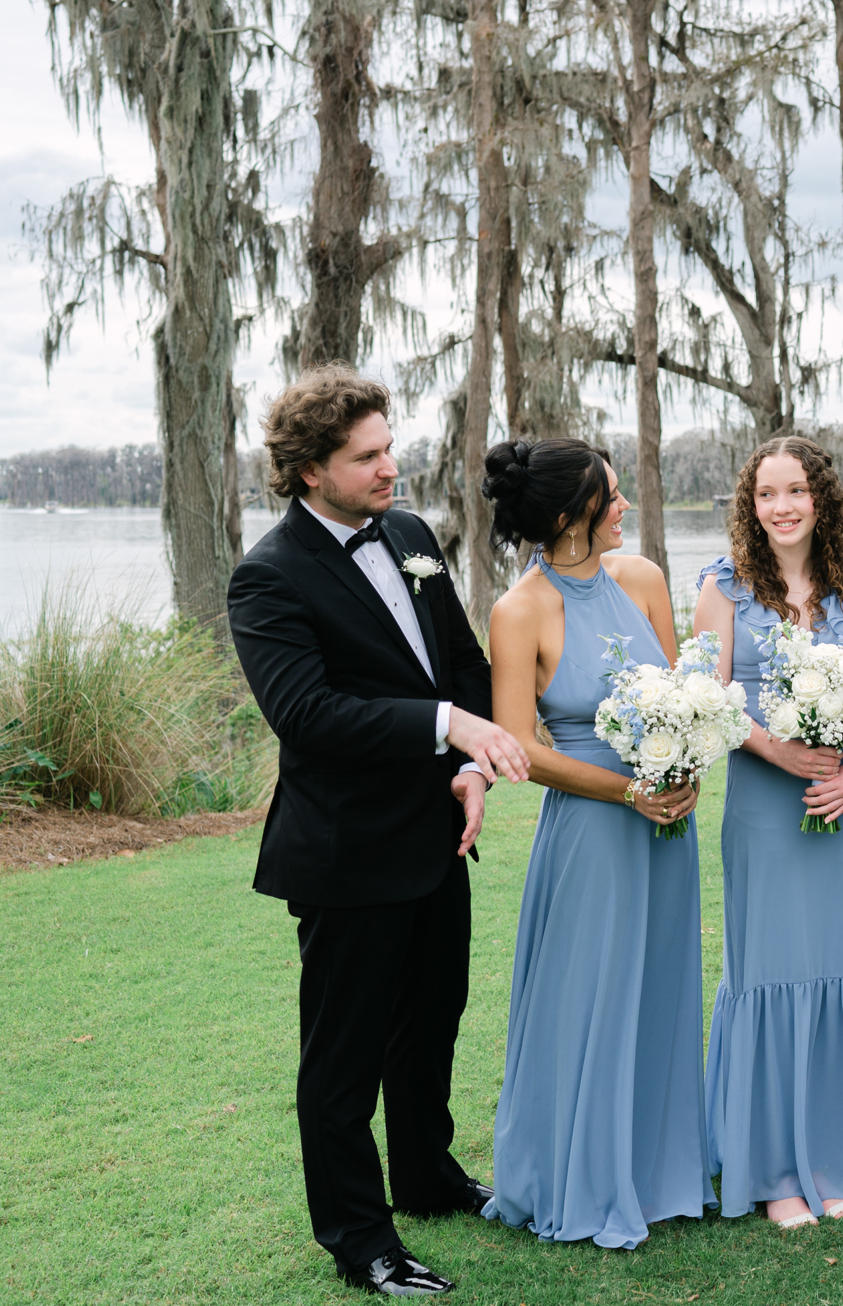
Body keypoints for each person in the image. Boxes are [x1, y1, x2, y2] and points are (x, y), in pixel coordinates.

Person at [229, 365, 529, 1298]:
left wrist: (471, 766)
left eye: (390, 445)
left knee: (432, 1021)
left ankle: (429, 1177)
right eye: (368, 457)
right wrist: (447, 727)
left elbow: (462, 665)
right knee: (344, 1059)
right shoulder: (268, 578)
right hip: (347, 854)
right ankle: (360, 1239)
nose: (391, 466)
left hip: (439, 833)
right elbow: (310, 716)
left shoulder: (407, 535)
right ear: (310, 471)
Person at [479, 440, 711, 1248]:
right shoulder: (520, 611)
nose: (623, 509)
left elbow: (682, 697)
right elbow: (520, 747)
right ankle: (577, 1174)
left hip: (665, 824)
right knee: (590, 997)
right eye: (610, 498)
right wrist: (627, 791)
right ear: (570, 515)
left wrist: (684, 770)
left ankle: (659, 1172)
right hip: (592, 831)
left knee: (660, 985)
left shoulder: (643, 579)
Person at [695, 437, 843, 1228]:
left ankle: (835, 1160)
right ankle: (773, 1169)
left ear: (821, 499)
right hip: (766, 806)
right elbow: (708, 697)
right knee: (771, 971)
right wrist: (780, 750)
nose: (783, 506)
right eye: (768, 493)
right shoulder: (722, 587)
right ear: (750, 503)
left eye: (797, 491)